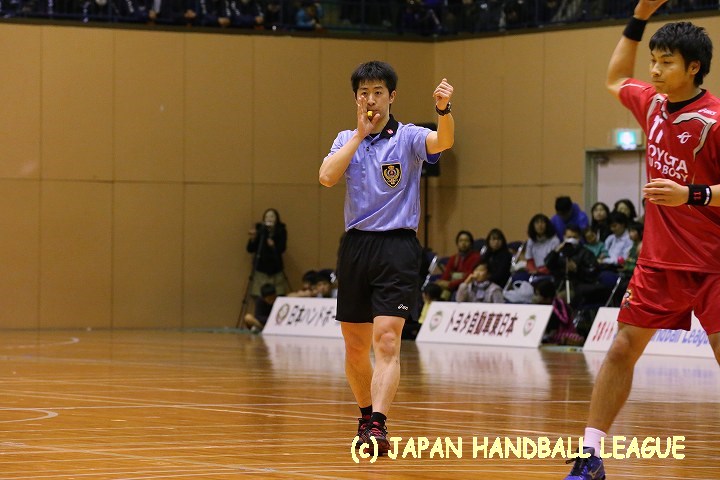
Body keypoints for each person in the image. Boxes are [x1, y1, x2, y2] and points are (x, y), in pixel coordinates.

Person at [565, 2, 720, 478]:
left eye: (666, 62)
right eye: (653, 60)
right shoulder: (651, 103)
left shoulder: (715, 120)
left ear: (693, 67)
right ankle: (590, 455)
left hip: (713, 264)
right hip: (658, 262)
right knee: (620, 350)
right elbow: (615, 78)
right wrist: (637, 18)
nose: (653, 70)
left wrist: (691, 194)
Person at [319, 61, 454, 455]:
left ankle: (378, 424)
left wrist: (443, 110)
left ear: (391, 96)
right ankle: (365, 414)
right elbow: (327, 176)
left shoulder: (408, 137)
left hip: (397, 246)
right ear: (356, 99)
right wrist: (359, 136)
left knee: (388, 339)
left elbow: (443, 142)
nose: (371, 99)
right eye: (364, 93)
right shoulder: (346, 138)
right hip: (356, 247)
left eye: (378, 92)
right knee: (355, 346)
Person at [246, 208, 288, 297]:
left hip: (276, 268)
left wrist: (273, 246)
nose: (269, 219)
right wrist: (253, 239)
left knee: (278, 294)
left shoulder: (281, 230)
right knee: (259, 295)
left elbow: (282, 249)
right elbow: (250, 249)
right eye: (267, 217)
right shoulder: (260, 230)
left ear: (276, 219)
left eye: (272, 216)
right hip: (261, 267)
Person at [435, 230, 481, 300]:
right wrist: (442, 283)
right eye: (461, 241)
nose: (463, 243)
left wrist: (450, 284)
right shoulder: (454, 258)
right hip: (451, 287)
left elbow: (469, 276)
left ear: (471, 243)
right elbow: (446, 275)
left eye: (466, 241)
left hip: (467, 287)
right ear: (457, 243)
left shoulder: (476, 257)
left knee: (455, 295)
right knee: (434, 291)